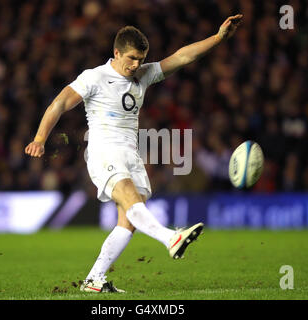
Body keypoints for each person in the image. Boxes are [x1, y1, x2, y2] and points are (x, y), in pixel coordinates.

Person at [25, 14, 243, 293]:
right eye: (131, 58)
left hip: (131, 152)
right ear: (116, 53)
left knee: (127, 222)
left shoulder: (143, 74)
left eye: (141, 59)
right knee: (129, 198)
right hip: (104, 150)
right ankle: (171, 239)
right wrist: (40, 138)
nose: (136, 64)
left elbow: (182, 57)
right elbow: (59, 104)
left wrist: (218, 37)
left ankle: (94, 280)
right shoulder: (95, 77)